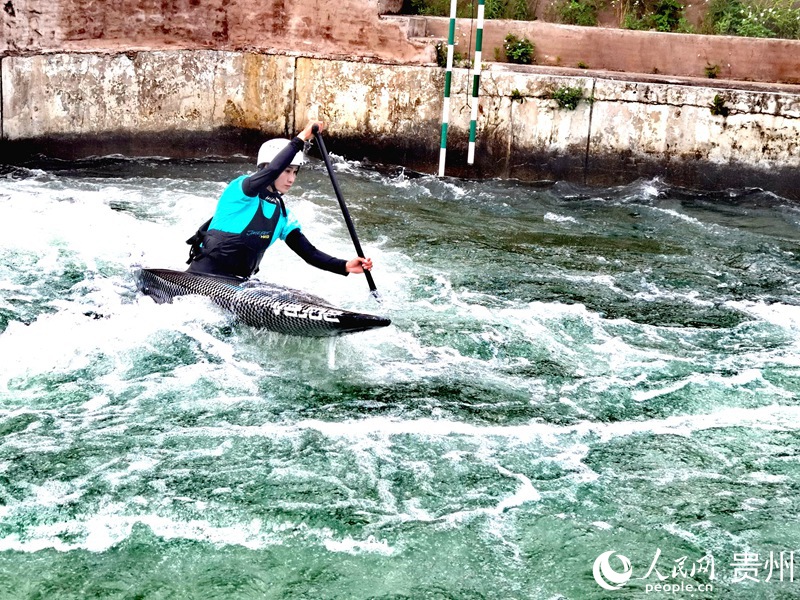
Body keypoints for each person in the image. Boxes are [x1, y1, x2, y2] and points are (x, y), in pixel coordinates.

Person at [186, 120, 373, 280]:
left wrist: (345, 266)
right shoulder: (240, 191)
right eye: (287, 171)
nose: (291, 179)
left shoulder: (283, 216)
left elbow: (309, 253)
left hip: (239, 287)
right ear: (267, 168)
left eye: (295, 172)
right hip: (202, 279)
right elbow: (272, 171)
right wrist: (302, 137)